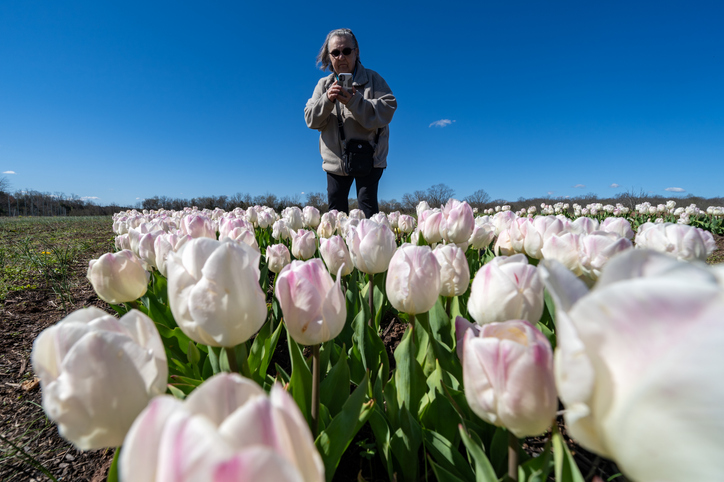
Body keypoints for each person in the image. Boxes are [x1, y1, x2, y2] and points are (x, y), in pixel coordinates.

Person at [304, 28, 396, 219]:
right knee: (336, 214)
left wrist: (355, 101)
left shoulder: (373, 79)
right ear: (329, 57)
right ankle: (337, 248)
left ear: (357, 52)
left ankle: (369, 248)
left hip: (370, 155)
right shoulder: (323, 85)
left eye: (346, 51)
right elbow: (310, 119)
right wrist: (327, 101)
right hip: (336, 159)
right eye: (335, 53)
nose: (341, 57)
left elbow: (388, 109)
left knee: (368, 210)